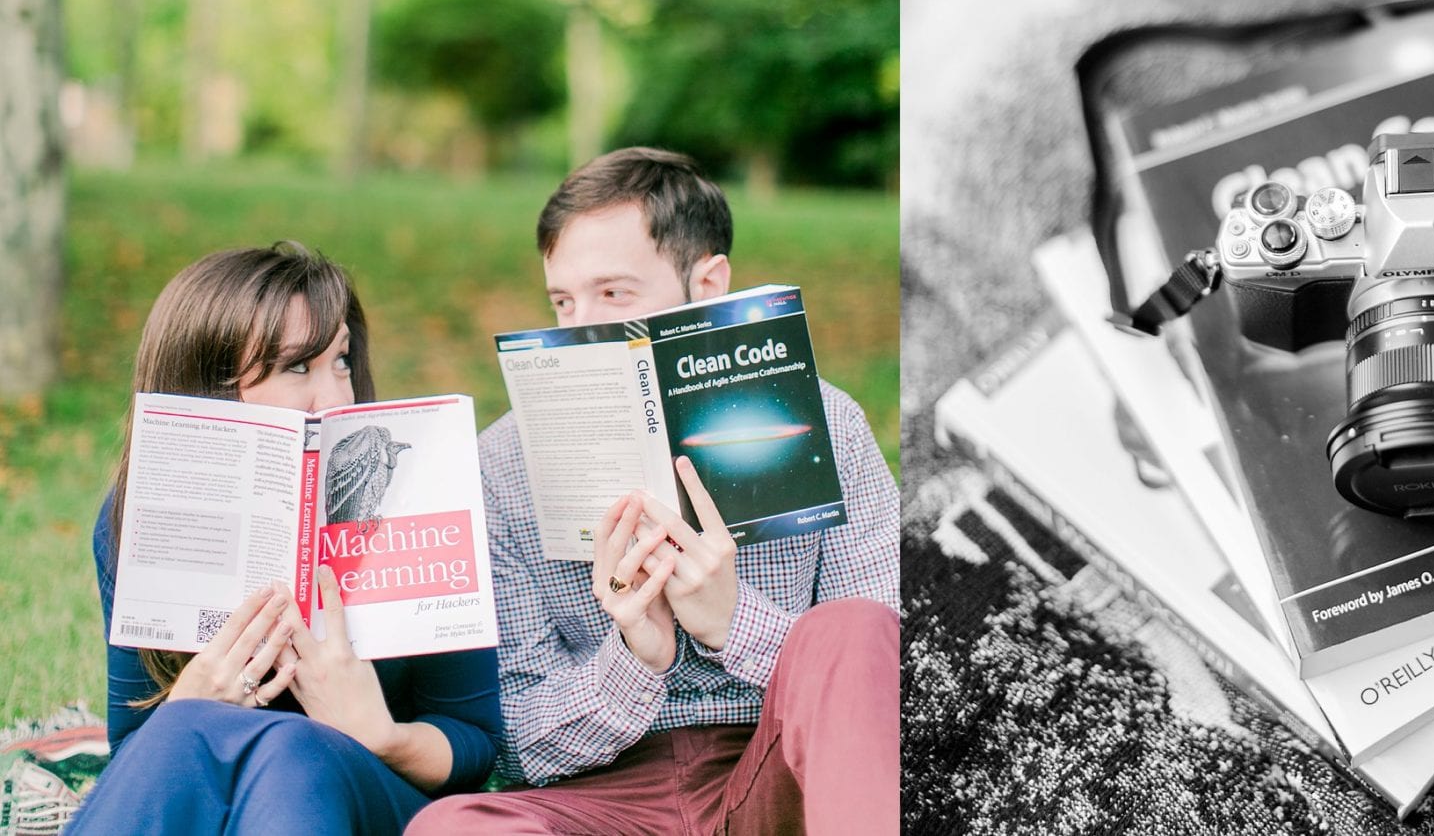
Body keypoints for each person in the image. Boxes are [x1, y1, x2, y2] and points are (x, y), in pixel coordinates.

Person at [409, 147, 900, 834]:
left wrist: (735, 624)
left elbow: (882, 687)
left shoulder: (829, 425)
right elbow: (519, 744)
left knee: (852, 627)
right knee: (454, 828)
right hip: (602, 796)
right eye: (562, 300)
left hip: (785, 780)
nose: (577, 328)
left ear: (708, 283)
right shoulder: (501, 466)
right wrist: (635, 656)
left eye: (612, 294)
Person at [68, 243, 503, 836]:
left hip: (369, 798)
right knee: (177, 729)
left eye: (342, 361)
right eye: (298, 367)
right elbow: (141, 761)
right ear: (210, 385)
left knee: (290, 749)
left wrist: (384, 735)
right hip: (220, 794)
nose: (337, 397)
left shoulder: (419, 499)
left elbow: (475, 744)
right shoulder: (132, 520)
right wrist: (189, 704)